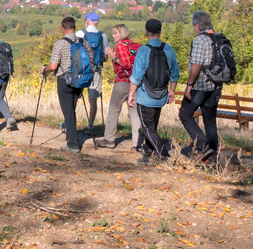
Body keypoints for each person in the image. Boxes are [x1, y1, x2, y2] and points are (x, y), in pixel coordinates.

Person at [127, 19, 179, 165]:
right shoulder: (168, 49)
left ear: (146, 32)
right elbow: (174, 74)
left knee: (148, 128)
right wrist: (172, 91)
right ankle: (147, 154)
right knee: (152, 127)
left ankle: (163, 156)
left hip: (145, 96)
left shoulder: (143, 50)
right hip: (161, 94)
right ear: (160, 32)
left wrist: (131, 94)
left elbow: (137, 76)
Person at [179, 10, 224, 162]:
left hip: (201, 85)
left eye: (194, 25)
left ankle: (204, 147)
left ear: (198, 25)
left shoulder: (200, 40)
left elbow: (197, 64)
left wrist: (189, 84)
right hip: (216, 86)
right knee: (210, 120)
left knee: (185, 114)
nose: (193, 28)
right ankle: (213, 156)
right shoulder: (218, 37)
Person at [40, 16, 85, 153]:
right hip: (80, 80)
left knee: (68, 111)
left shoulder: (60, 43)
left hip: (64, 80)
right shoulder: (83, 42)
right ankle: (72, 137)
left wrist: (44, 69)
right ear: (74, 27)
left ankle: (72, 144)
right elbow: (91, 61)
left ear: (62, 28)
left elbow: (53, 66)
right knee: (71, 110)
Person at [95, 24, 141, 149]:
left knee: (114, 109)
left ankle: (109, 139)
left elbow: (125, 64)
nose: (113, 36)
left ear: (122, 33)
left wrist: (113, 57)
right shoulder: (132, 45)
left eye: (115, 33)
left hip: (122, 81)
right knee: (134, 112)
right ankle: (137, 142)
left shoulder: (120, 46)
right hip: (134, 82)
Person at [75, 12, 106, 134]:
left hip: (82, 72)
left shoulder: (80, 33)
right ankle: (91, 125)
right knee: (93, 100)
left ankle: (70, 124)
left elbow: (75, 53)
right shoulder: (103, 35)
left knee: (74, 98)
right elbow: (105, 57)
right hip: (96, 71)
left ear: (87, 21)